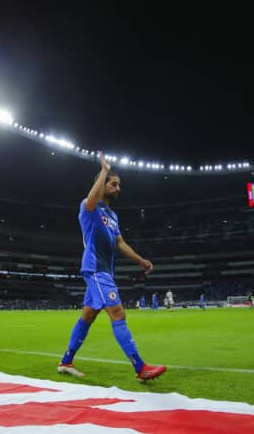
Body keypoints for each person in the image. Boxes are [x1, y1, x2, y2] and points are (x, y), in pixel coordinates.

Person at [57, 153, 166, 381]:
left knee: (88, 315)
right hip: (95, 268)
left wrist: (140, 260)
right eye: (114, 184)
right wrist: (104, 170)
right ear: (103, 184)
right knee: (118, 312)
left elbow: (119, 244)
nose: (118, 189)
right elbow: (92, 199)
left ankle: (66, 361)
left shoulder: (113, 216)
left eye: (119, 185)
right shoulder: (89, 208)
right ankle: (140, 367)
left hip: (105, 270)